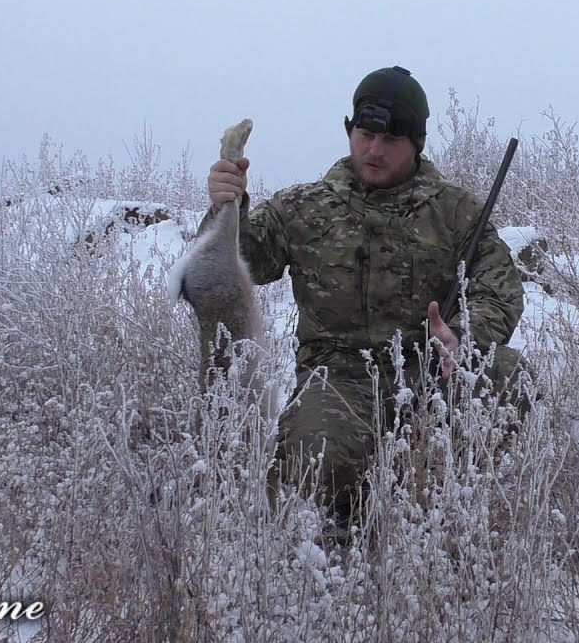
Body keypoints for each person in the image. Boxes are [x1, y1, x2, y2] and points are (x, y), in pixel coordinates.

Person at [201, 65, 530, 538]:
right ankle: (352, 513)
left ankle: (432, 502)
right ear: (349, 130)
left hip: (430, 368)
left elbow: (497, 285)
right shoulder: (303, 206)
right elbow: (233, 268)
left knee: (509, 375)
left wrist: (462, 334)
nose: (374, 150)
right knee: (312, 464)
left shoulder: (458, 213)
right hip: (339, 378)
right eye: (366, 133)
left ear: (416, 143)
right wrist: (227, 207)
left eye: (391, 139)